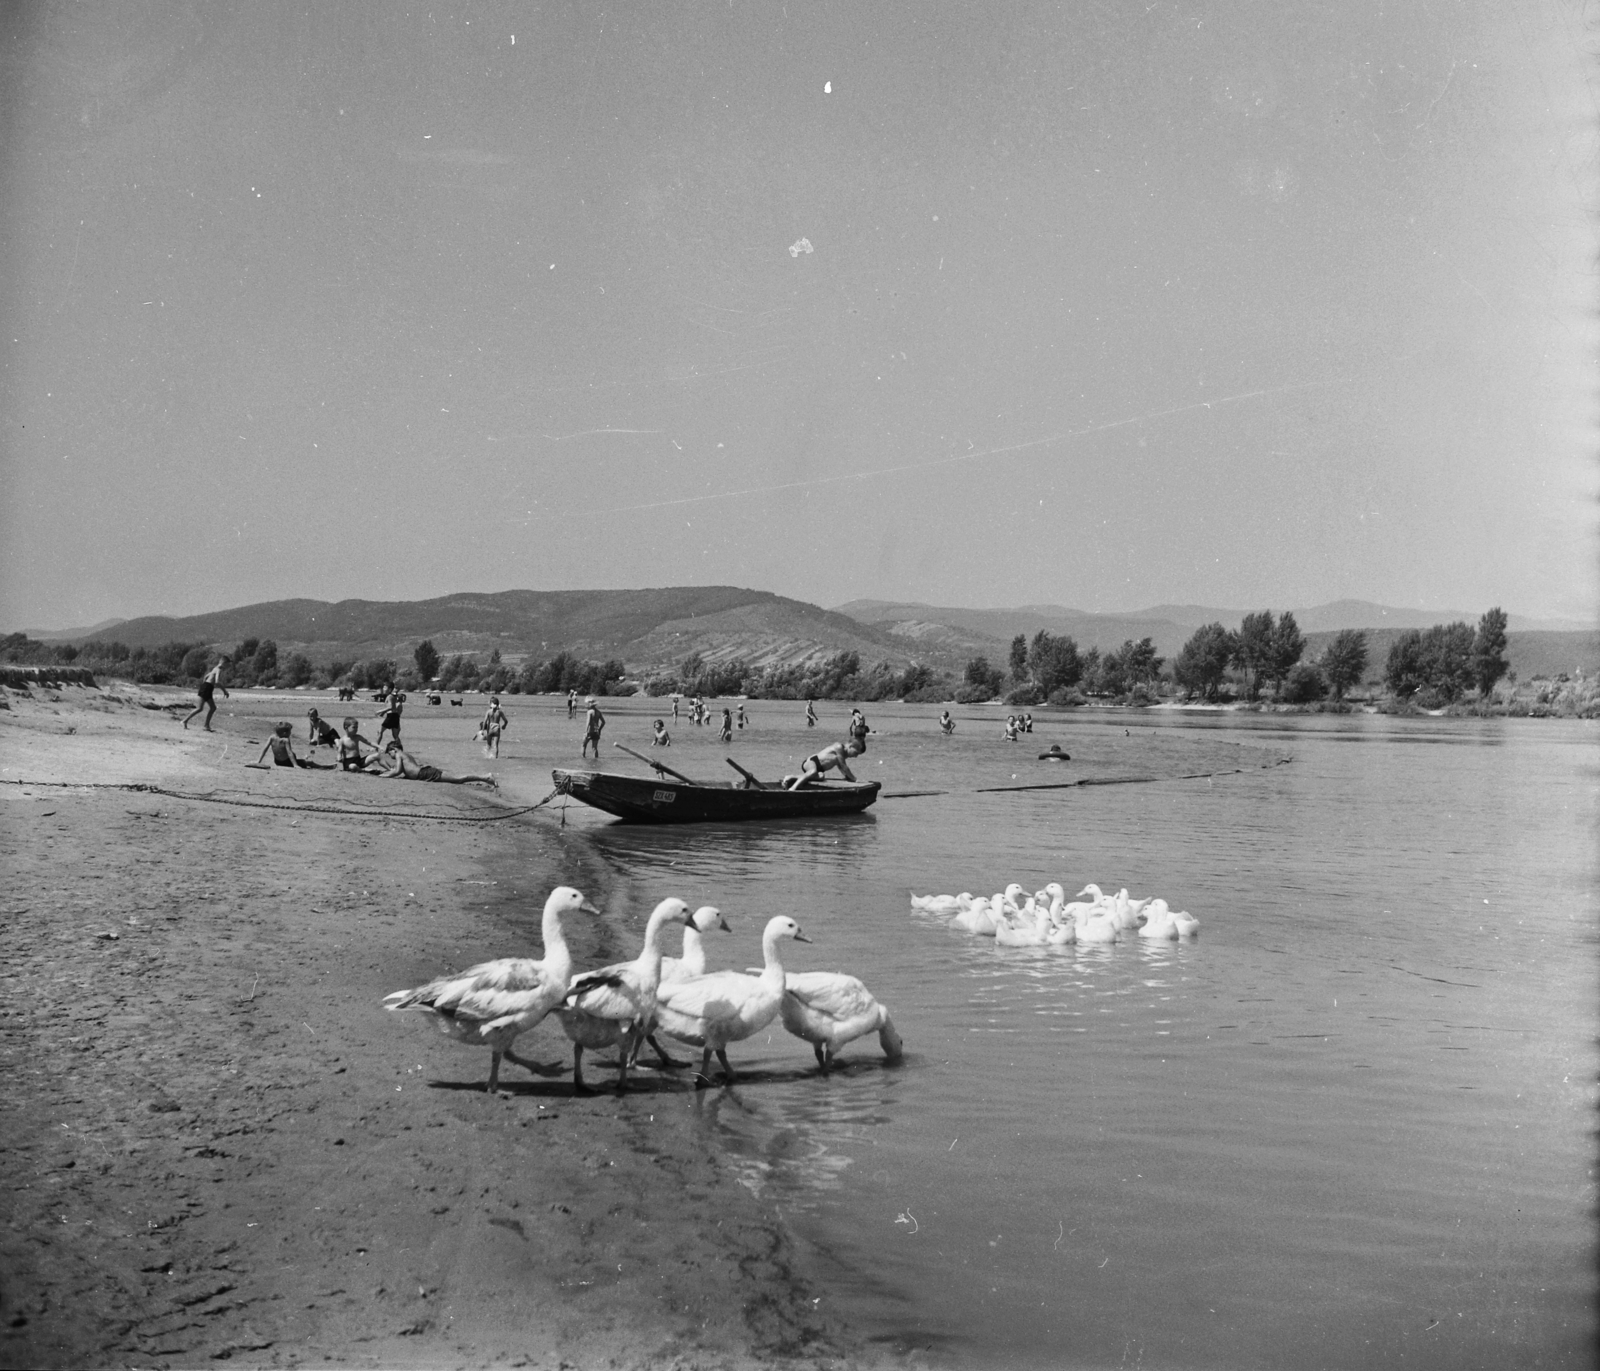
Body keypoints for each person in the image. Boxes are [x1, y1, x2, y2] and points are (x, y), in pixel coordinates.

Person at [373, 740, 496, 786]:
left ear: (394, 750)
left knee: (458, 779)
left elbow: (397, 771)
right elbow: (406, 771)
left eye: (389, 753)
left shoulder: (399, 754)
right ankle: (485, 778)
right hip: (425, 772)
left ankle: (485, 777)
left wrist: (383, 776)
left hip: (426, 773)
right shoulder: (405, 755)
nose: (390, 756)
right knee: (457, 778)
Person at [784, 738, 863, 790]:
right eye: (856, 753)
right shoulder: (839, 747)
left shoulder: (842, 755)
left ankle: (792, 777)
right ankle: (793, 788)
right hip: (812, 761)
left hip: (819, 769)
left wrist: (847, 777)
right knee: (813, 771)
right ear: (850, 746)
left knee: (821, 776)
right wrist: (855, 779)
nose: (856, 756)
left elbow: (841, 767)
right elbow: (844, 766)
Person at [182, 656, 230, 731]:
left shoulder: (215, 668)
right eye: (227, 664)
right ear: (224, 663)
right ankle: (184, 721)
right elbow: (217, 682)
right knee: (199, 708)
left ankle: (206, 725)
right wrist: (225, 691)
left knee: (213, 707)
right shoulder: (218, 669)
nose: (228, 666)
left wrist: (205, 684)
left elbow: (206, 676)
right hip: (207, 688)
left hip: (207, 688)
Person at [255, 722, 329, 769]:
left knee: (296, 756)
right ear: (284, 733)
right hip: (287, 762)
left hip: (277, 762)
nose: (290, 733)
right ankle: (322, 767)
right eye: (289, 732)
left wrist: (258, 761)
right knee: (309, 762)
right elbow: (289, 753)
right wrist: (295, 765)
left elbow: (265, 749)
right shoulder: (285, 740)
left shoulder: (271, 737)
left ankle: (301, 762)